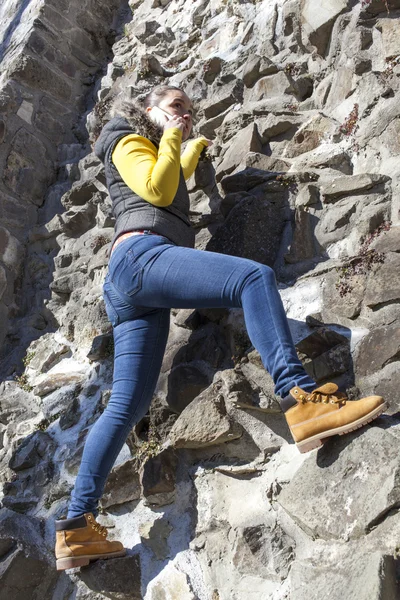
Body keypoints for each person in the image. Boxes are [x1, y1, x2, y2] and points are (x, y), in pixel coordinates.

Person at [54, 85, 387, 570]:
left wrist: (192, 149)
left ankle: (76, 527)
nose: (184, 114)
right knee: (253, 278)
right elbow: (157, 189)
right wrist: (172, 138)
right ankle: (300, 399)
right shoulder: (125, 139)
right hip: (142, 257)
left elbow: (173, 179)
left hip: (134, 276)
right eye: (175, 107)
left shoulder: (150, 143)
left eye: (189, 110)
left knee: (128, 404)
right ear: (147, 111)